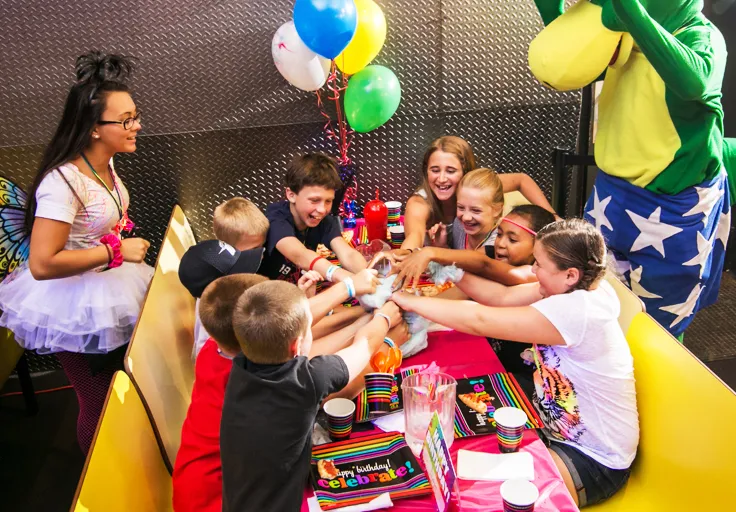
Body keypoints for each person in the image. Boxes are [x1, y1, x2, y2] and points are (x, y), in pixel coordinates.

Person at [391, 219, 639, 508]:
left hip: (592, 458)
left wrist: (406, 300)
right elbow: (502, 297)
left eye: (540, 265)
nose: (533, 271)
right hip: (550, 422)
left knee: (485, 497)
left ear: (570, 274)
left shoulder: (577, 310)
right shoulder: (579, 287)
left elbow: (479, 319)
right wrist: (449, 271)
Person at [0, 51, 152, 454]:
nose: (136, 126)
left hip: (107, 288)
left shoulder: (106, 165)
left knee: (121, 390)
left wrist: (112, 241)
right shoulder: (62, 182)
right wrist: (114, 252)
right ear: (94, 128)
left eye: (135, 115)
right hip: (71, 304)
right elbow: (43, 262)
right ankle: (98, 479)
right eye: (126, 120)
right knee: (98, 402)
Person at [220, 281, 407, 512]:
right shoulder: (304, 383)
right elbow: (366, 345)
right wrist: (384, 318)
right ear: (297, 346)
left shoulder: (241, 365)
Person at [172, 273, 267, 512]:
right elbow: (334, 376)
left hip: (195, 487)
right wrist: (375, 317)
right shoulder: (255, 377)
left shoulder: (214, 348)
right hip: (218, 501)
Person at [402, 135, 555, 251]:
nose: (441, 179)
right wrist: (401, 256)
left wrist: (554, 218)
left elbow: (521, 180)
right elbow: (414, 236)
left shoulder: (478, 187)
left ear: (466, 172)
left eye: (451, 171)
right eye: (435, 170)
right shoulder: (419, 202)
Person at [258, 153, 368, 285]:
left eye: (328, 201)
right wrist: (351, 281)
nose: (322, 209)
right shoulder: (276, 217)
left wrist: (369, 276)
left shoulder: (324, 220)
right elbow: (300, 255)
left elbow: (348, 254)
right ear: (291, 195)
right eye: (314, 200)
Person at [181, 197, 269, 359]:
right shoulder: (215, 308)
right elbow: (205, 353)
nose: (261, 253)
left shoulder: (229, 277)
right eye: (254, 249)